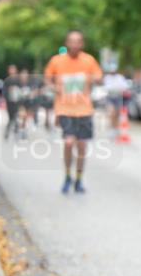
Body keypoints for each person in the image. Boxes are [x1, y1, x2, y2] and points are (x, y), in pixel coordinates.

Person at [44, 30, 103, 194]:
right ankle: (67, 176)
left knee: (82, 146)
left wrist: (94, 79)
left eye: (78, 41)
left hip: (84, 109)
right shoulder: (57, 61)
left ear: (82, 44)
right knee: (69, 142)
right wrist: (54, 87)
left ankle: (78, 179)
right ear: (66, 43)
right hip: (64, 108)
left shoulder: (89, 60)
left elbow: (99, 76)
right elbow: (47, 79)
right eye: (72, 41)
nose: (75, 44)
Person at [2, 65, 30, 141]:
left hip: (17, 101)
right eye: (11, 69)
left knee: (18, 116)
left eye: (13, 69)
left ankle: (18, 131)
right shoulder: (6, 80)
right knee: (11, 118)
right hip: (10, 102)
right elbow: (3, 91)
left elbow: (22, 90)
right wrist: (8, 92)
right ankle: (7, 131)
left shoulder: (18, 80)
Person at [102, 65, 129, 136]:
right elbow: (106, 87)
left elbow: (124, 87)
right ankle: (112, 128)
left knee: (117, 114)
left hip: (118, 97)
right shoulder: (107, 78)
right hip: (110, 97)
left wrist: (120, 90)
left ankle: (116, 128)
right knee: (112, 112)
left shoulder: (120, 78)